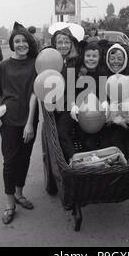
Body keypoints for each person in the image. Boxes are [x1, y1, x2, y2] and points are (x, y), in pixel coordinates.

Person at [0, 21, 39, 225]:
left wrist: (29, 123)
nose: (21, 44)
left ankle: (19, 194)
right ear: (12, 44)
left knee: (25, 158)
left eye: (24, 40)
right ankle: (10, 203)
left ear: (29, 42)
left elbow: (35, 95)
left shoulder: (36, 64)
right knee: (10, 162)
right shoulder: (3, 66)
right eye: (17, 41)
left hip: (29, 120)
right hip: (9, 120)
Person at [48, 24, 83, 163]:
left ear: (71, 44)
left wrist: (74, 103)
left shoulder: (76, 62)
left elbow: (78, 86)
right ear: (55, 45)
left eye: (66, 42)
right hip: (56, 104)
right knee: (58, 132)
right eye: (60, 42)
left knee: (63, 132)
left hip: (73, 104)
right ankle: (69, 159)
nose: (63, 45)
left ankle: (76, 160)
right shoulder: (49, 61)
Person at [70, 41, 108, 151]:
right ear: (83, 56)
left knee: (99, 141)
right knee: (86, 142)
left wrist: (105, 103)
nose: (91, 59)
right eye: (88, 55)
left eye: (94, 56)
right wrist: (73, 105)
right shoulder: (77, 72)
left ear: (99, 58)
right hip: (81, 116)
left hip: (97, 116)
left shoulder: (101, 72)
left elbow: (102, 94)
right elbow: (71, 92)